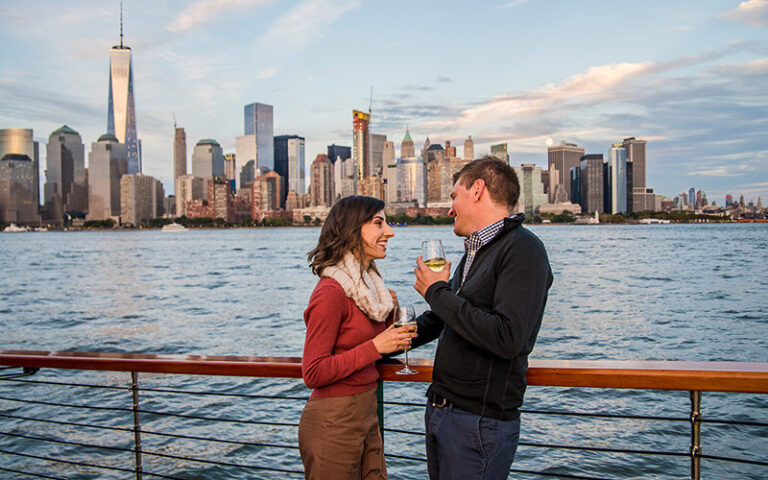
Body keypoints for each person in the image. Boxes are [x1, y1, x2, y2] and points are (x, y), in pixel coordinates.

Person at [411, 156, 553, 480]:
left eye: (453, 196)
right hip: (443, 411)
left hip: (477, 423)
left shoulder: (524, 249)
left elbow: (507, 337)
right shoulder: (475, 251)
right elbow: (444, 318)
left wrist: (436, 292)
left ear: (477, 190)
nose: (450, 208)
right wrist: (379, 342)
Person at [299, 195, 416, 480]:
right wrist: (376, 346)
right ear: (353, 230)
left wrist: (392, 319)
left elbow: (367, 343)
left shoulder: (370, 291)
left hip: (367, 414)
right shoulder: (331, 292)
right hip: (334, 422)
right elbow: (312, 372)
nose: (390, 231)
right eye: (379, 223)